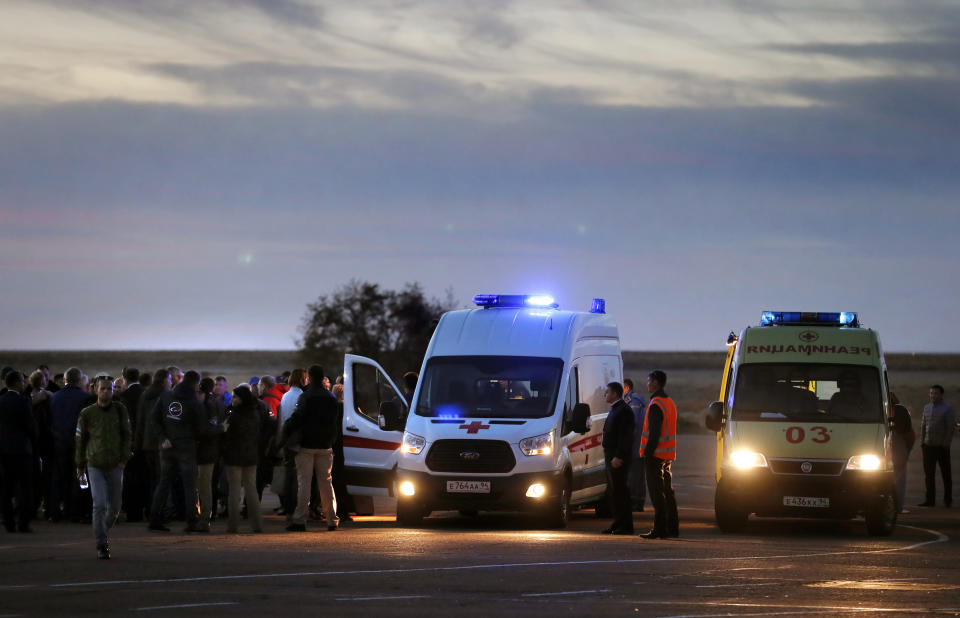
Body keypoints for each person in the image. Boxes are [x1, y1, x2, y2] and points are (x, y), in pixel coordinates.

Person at [75, 377, 131, 559]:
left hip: (115, 464)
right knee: (99, 503)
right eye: (103, 389)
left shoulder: (120, 410)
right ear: (96, 390)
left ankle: (102, 530)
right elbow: (80, 440)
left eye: (110, 389)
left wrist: (124, 459)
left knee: (114, 508)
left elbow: (127, 435)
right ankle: (101, 542)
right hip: (95, 464)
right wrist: (80, 465)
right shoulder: (87, 413)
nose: (106, 392)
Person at [148, 370, 211, 533]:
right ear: (196, 383)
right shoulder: (194, 402)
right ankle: (191, 522)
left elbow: (154, 418)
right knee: (189, 486)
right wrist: (219, 428)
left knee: (163, 484)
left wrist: (163, 437)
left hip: (167, 447)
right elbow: (202, 428)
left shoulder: (166, 396)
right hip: (186, 448)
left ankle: (154, 519)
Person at [284, 364, 339, 532]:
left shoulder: (306, 396)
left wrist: (286, 429)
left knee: (304, 483)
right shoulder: (331, 398)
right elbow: (335, 423)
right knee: (326, 483)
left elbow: (297, 418)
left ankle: (300, 519)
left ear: (310, 377)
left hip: (306, 445)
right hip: (325, 445)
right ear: (322, 378)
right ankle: (331, 519)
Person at [221, 386, 270, 533]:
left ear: (241, 398)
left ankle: (233, 525)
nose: (233, 399)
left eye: (235, 397)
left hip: (234, 457)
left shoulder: (234, 415)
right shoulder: (255, 413)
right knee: (251, 490)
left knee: (234, 492)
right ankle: (257, 524)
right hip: (251, 456)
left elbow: (229, 436)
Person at [48, 367, 93, 522]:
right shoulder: (85, 397)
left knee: (59, 478)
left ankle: (55, 512)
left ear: (65, 380)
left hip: (58, 442)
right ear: (80, 380)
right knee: (80, 478)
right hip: (78, 444)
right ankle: (76, 512)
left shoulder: (54, 397)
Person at [638, 370, 679, 539]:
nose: (647, 384)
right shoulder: (669, 402)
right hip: (667, 454)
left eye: (649, 381)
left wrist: (648, 453)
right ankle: (672, 528)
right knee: (668, 492)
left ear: (655, 383)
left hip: (655, 455)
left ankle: (659, 529)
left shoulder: (656, 404)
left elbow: (654, 433)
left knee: (657, 494)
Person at [0, 371, 38, 533]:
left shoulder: (0, 401)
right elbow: (30, 426)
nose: (24, 384)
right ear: (16, 383)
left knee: (6, 488)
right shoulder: (23, 401)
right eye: (22, 381)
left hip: (3, 451)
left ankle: (8, 522)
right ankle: (23, 523)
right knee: (25, 488)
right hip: (22, 451)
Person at [600, 381, 634, 535]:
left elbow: (625, 436)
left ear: (614, 393)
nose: (605, 395)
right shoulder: (616, 409)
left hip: (616, 457)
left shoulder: (623, 411)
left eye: (607, 392)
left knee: (620, 492)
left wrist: (619, 456)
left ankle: (626, 525)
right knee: (614, 492)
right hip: (610, 455)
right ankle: (617, 522)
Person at [918, 384, 956, 507]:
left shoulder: (947, 408)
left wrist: (946, 444)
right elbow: (923, 425)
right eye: (931, 393)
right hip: (928, 446)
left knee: (946, 474)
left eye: (935, 393)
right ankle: (930, 500)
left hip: (941, 447)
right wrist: (922, 442)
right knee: (929, 475)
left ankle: (948, 500)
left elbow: (950, 427)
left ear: (941, 394)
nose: (933, 395)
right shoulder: (926, 407)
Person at [195, 377, 225, 532]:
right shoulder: (218, 402)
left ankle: (204, 517)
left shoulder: (206, 405)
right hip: (213, 449)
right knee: (207, 485)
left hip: (204, 450)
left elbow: (205, 430)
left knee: (203, 486)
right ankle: (206, 515)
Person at [277, 368, 307, 520]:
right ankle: (295, 508)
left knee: (289, 475)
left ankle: (287, 507)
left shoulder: (285, 396)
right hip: (297, 440)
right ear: (301, 379)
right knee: (298, 477)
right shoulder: (301, 396)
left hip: (286, 439)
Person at [117, 367, 146, 522]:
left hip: (129, 443)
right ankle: (144, 509)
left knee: (130, 478)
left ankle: (132, 512)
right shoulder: (145, 393)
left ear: (124, 379)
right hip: (144, 442)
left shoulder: (123, 397)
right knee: (144, 477)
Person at [623, 378, 647, 512]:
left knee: (635, 475)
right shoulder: (632, 401)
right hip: (636, 445)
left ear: (626, 388)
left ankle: (637, 502)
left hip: (636, 446)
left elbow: (633, 424)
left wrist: (626, 444)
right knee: (636, 475)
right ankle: (637, 501)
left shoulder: (633, 402)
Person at [889, 392, 915, 514]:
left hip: (879, 444)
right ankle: (897, 507)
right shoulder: (902, 410)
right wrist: (906, 451)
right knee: (899, 479)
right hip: (899, 445)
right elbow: (909, 434)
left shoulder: (876, 408)